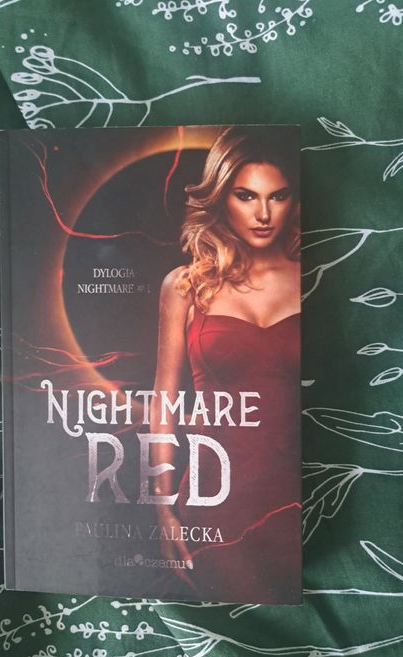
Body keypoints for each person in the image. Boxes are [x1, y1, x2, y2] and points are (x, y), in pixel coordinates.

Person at [150, 126, 301, 603]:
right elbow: (163, 400)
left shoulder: (314, 277)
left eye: (277, 196)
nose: (263, 214)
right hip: (215, 500)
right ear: (221, 198)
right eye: (246, 195)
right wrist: (163, 508)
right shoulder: (187, 286)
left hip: (297, 497)